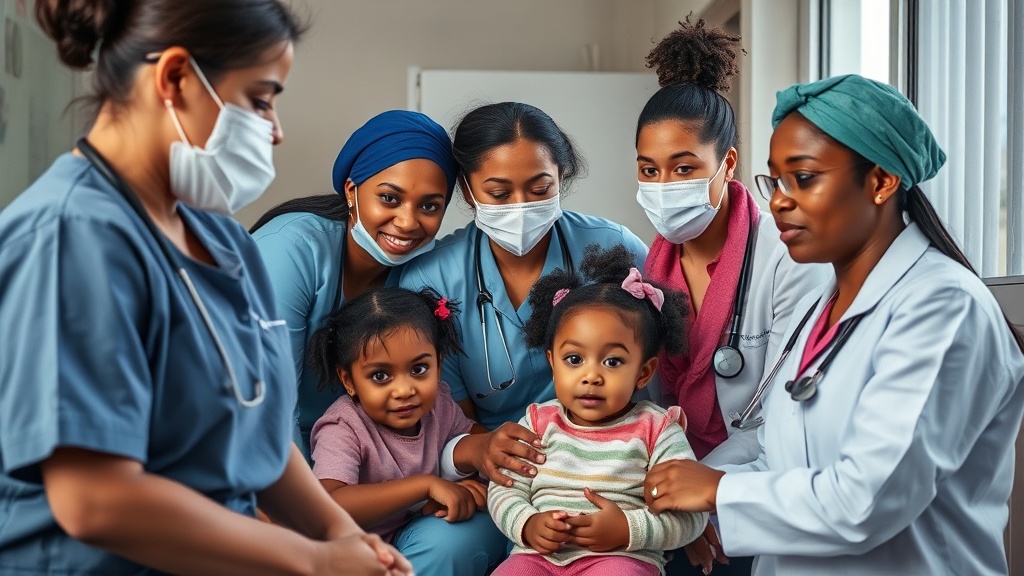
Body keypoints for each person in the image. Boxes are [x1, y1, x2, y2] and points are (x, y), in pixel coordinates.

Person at [0, 1, 411, 574]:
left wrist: (344, 536)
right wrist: (313, 561)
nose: (275, 132)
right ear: (174, 79)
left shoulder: (222, 239)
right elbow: (94, 500)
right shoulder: (71, 237)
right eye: (260, 100)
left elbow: (259, 435)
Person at [642, 74, 1024, 575]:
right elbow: (776, 452)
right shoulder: (822, 309)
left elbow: (870, 498)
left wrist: (717, 489)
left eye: (803, 178)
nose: (779, 200)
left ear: (882, 181)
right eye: (776, 181)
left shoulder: (943, 307)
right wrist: (678, 487)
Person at [635, 19, 828, 574]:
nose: (665, 187)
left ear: (728, 164)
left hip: (751, 480)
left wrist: (698, 497)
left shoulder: (786, 258)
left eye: (684, 168)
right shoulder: (652, 263)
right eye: (650, 170)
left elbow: (784, 418)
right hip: (668, 474)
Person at [400, 102, 649, 482]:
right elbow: (448, 419)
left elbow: (655, 384)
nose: (521, 207)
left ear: (561, 177)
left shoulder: (618, 250)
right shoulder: (430, 280)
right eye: (499, 194)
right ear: (467, 191)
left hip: (612, 461)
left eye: (539, 188)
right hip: (493, 469)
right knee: (442, 544)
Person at [487, 244, 707, 576]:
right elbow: (504, 488)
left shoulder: (657, 429)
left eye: (613, 361)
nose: (591, 376)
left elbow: (692, 515)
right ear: (552, 363)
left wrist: (628, 529)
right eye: (574, 359)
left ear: (644, 372)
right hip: (537, 557)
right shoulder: (538, 421)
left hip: (620, 559)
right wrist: (528, 523)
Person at [251, 110, 458, 462]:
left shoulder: (426, 271)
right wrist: (314, 505)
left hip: (359, 460)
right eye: (390, 198)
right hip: (261, 449)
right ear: (352, 190)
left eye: (429, 206)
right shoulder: (289, 250)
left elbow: (436, 395)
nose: (408, 222)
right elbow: (267, 407)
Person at [306, 286, 498, 575]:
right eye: (380, 376)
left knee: (485, 524)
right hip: (352, 556)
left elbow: (468, 438)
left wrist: (475, 474)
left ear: (439, 363)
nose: (405, 390)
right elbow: (331, 505)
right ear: (349, 381)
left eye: (419, 369)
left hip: (409, 537)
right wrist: (426, 486)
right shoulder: (343, 426)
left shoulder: (438, 404)